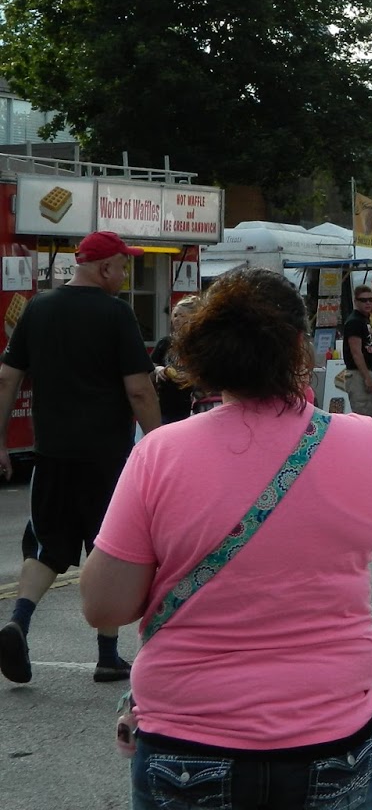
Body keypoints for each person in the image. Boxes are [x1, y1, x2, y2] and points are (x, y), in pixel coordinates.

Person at [80, 266, 372, 808]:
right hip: (332, 729)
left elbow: (104, 605)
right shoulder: (364, 442)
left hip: (190, 735)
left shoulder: (160, 453)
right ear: (299, 346)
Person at [0, 231, 161, 685]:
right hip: (107, 457)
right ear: (104, 267)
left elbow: (7, 379)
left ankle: (19, 621)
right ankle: (108, 656)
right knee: (108, 546)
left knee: (48, 544)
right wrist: (159, 443)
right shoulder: (116, 314)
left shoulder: (39, 308)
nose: (125, 273)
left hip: (51, 452)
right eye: (123, 265)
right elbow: (139, 388)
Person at [151, 296, 202, 426]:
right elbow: (151, 365)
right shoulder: (165, 343)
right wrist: (159, 370)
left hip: (194, 408)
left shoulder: (202, 344)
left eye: (182, 316)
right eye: (175, 316)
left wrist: (192, 377)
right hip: (166, 408)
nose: (177, 320)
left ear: (195, 317)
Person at [342, 285, 372, 422]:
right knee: (363, 417)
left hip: (368, 370)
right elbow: (356, 352)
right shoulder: (354, 321)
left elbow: (369, 347)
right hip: (359, 373)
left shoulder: (365, 320)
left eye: (371, 300)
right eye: (363, 300)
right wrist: (367, 377)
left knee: (370, 415)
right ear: (356, 301)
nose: (368, 303)